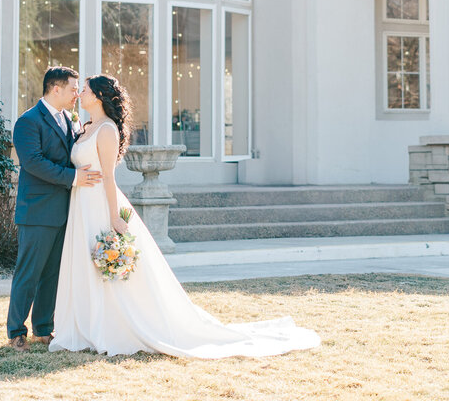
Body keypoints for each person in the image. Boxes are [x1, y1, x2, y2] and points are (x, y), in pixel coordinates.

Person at [48, 74, 320, 358]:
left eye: (87, 90)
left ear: (100, 96)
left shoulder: (106, 130)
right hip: (81, 204)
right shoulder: (86, 127)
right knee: (84, 262)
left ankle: (110, 326)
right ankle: (84, 324)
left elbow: (108, 178)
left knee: (104, 268)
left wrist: (115, 217)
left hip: (100, 205)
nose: (81, 93)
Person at [6, 66, 103, 352]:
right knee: (29, 272)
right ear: (55, 88)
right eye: (74, 88)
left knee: (52, 273)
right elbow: (33, 162)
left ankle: (44, 328)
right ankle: (15, 331)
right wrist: (74, 178)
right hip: (37, 210)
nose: (77, 94)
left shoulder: (70, 120)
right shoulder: (28, 121)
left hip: (65, 210)